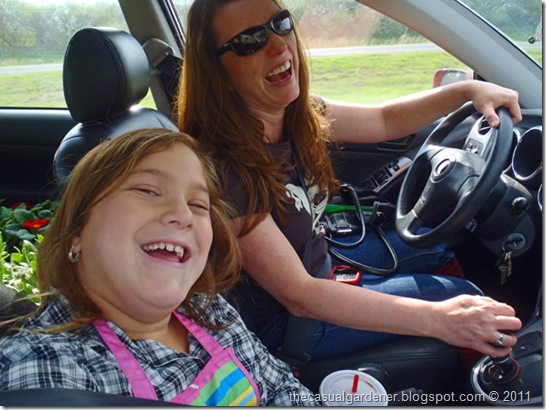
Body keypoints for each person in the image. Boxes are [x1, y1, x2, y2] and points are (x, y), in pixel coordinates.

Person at [175, 0, 523, 362]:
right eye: (250, 41)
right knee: (464, 297)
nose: (279, 46)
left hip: (319, 266)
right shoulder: (223, 171)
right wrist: (441, 320)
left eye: (280, 23)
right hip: (286, 322)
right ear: (217, 71)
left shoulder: (294, 113)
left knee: (436, 245)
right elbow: (300, 294)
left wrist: (465, 93)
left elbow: (384, 121)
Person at [0, 129, 319, 406]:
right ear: (76, 233)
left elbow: (282, 388)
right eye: (148, 190)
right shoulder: (49, 368)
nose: (183, 214)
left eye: (198, 204)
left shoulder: (208, 311)